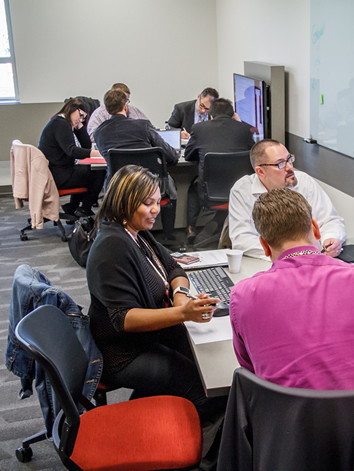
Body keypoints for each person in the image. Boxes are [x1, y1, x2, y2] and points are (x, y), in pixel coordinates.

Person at [229, 188, 354, 427]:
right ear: (316, 229)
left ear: (264, 246)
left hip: (287, 448)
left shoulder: (243, 297)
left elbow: (253, 377)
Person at [86, 164, 224, 422]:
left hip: (152, 337)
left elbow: (172, 265)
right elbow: (124, 319)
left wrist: (181, 296)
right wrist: (181, 313)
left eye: (157, 200)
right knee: (207, 391)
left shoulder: (136, 233)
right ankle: (192, 452)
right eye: (147, 203)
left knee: (208, 367)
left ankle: (154, 408)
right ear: (125, 202)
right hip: (125, 353)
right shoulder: (112, 247)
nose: (156, 209)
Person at [229, 139, 346, 260]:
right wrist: (290, 254)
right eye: (280, 164)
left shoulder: (305, 182)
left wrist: (331, 238)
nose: (290, 167)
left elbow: (330, 220)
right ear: (261, 172)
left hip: (311, 260)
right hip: (265, 263)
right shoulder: (242, 191)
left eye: (289, 159)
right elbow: (242, 239)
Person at [94, 89, 180, 241]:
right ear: (125, 106)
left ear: (106, 109)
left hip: (119, 187)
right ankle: (169, 236)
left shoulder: (99, 132)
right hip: (150, 185)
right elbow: (171, 155)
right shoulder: (143, 126)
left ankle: (120, 235)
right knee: (170, 185)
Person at [184, 98, 254, 242]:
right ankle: (218, 222)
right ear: (233, 114)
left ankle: (191, 228)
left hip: (209, 192)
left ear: (211, 115)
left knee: (193, 186)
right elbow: (253, 153)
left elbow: (188, 156)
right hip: (239, 190)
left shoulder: (199, 129)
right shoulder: (244, 129)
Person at [38, 98, 104, 217]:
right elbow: (71, 150)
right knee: (99, 172)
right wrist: (95, 153)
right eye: (80, 115)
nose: (81, 119)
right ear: (73, 109)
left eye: (83, 118)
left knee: (86, 170)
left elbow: (86, 144)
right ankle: (84, 208)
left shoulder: (61, 122)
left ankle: (72, 206)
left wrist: (79, 126)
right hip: (58, 175)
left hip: (58, 171)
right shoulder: (60, 124)